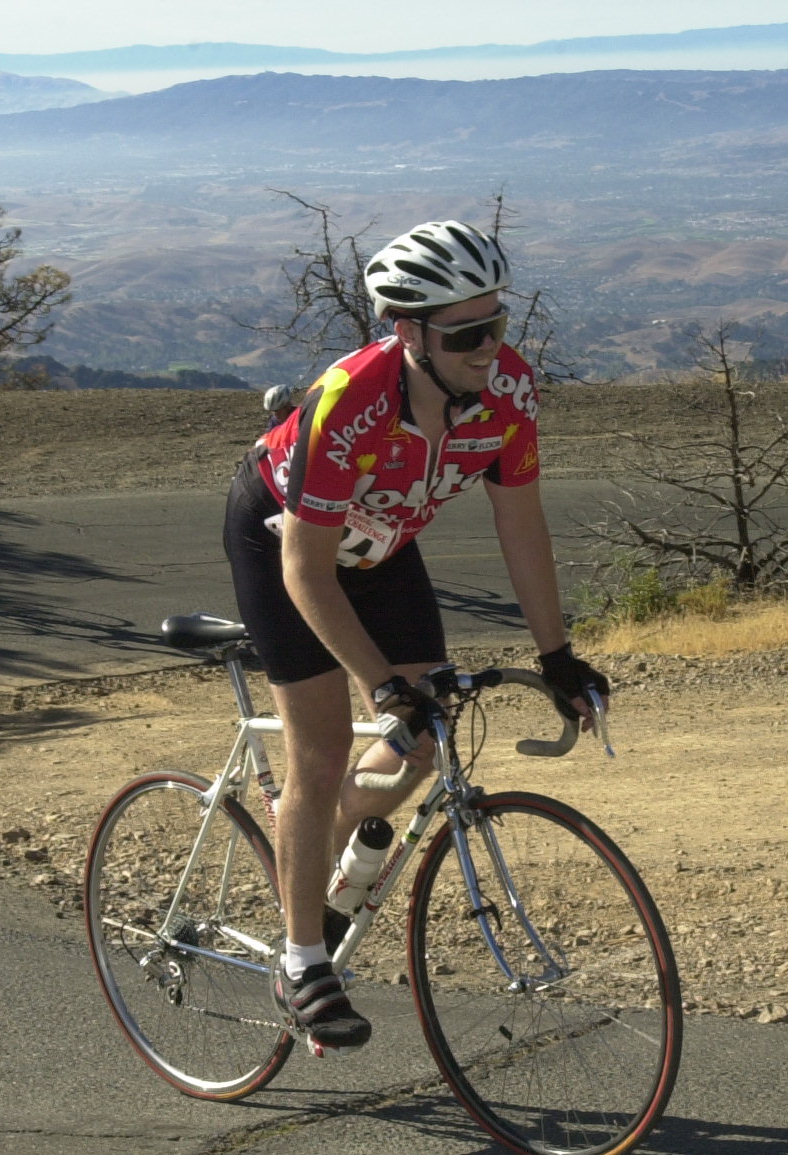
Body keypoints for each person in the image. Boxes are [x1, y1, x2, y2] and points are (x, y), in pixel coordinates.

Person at [223, 219, 610, 1051]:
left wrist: (557, 656)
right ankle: (301, 961)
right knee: (321, 755)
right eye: (468, 333)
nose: (489, 347)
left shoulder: (508, 391)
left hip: (385, 549)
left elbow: (522, 522)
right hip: (288, 546)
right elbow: (308, 573)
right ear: (409, 331)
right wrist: (378, 681)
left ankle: (319, 848)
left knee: (424, 743)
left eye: (498, 324)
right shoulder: (350, 401)